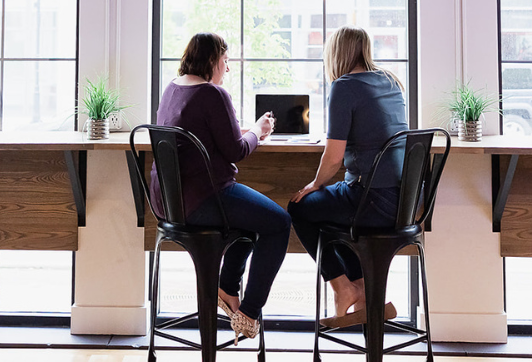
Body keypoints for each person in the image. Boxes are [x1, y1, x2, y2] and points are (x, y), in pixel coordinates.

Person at [153, 32, 290, 341]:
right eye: (226, 61)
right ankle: (249, 312)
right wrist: (258, 130)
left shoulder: (173, 89)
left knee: (253, 221)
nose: (227, 69)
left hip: (169, 203)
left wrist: (245, 131)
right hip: (205, 199)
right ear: (213, 60)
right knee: (279, 223)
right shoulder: (213, 94)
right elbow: (236, 151)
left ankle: (227, 289)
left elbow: (204, 135)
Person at [287, 25, 408, 328]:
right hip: (402, 201)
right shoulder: (390, 80)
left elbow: (334, 156)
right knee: (330, 214)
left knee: (301, 208)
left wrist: (315, 184)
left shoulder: (344, 86)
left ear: (336, 53)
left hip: (371, 200)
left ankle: (344, 287)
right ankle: (365, 291)